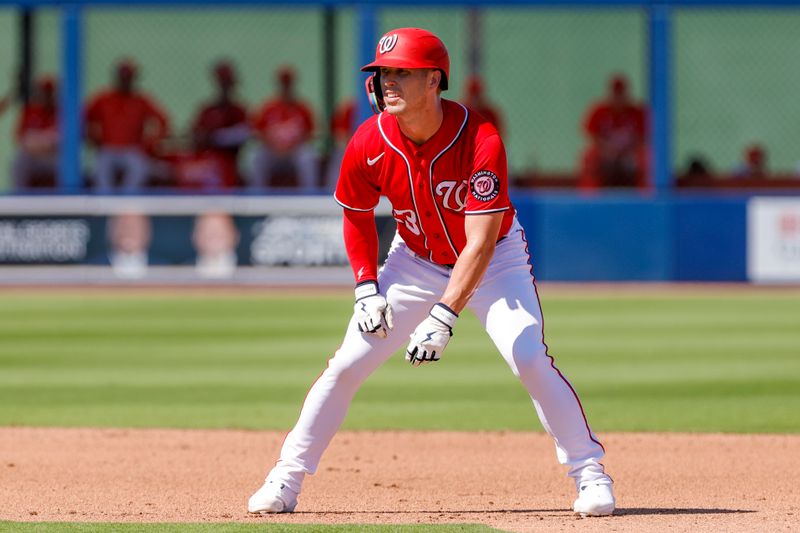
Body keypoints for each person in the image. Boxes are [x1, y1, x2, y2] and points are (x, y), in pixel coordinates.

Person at [247, 28, 615, 518]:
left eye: (402, 72)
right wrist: (365, 287)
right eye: (382, 73)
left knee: (528, 354)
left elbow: (481, 243)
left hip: (495, 262)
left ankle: (590, 476)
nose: (387, 82)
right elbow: (356, 215)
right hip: (413, 259)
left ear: (434, 81)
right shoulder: (368, 140)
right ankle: (284, 480)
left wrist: (444, 316)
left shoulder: (479, 139)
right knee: (347, 363)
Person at [84, 58, 170, 192]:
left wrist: (152, 143)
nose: (125, 80)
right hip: (107, 148)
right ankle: (104, 208)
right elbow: (84, 119)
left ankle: (127, 207)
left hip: (132, 149)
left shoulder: (140, 99)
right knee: (100, 175)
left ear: (134, 78)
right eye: (122, 77)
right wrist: (92, 138)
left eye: (129, 77)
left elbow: (163, 120)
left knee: (139, 171)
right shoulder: (104, 98)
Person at [182, 60, 250, 189]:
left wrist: (215, 137)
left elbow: (243, 135)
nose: (223, 86)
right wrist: (198, 137)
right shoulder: (207, 109)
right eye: (221, 81)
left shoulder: (238, 110)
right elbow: (194, 134)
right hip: (204, 160)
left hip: (227, 161)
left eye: (226, 82)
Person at [250, 66, 318, 190]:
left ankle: (309, 196)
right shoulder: (268, 107)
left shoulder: (302, 108)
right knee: (257, 156)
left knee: (307, 156)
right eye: (284, 83)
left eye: (288, 83)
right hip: (272, 152)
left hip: (295, 153)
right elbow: (258, 133)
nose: (286, 87)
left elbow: (311, 134)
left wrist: (292, 147)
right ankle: (257, 197)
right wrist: (275, 147)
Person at [578, 74, 648, 190]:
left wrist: (628, 151)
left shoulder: (637, 112)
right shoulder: (599, 111)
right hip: (605, 153)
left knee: (646, 157)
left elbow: (643, 137)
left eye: (621, 94)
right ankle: (589, 200)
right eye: (615, 94)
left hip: (630, 153)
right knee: (589, 157)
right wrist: (607, 150)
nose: (618, 98)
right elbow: (592, 135)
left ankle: (647, 198)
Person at [12, 76, 59, 189]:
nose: (46, 96)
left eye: (49, 93)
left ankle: (66, 200)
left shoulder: (62, 112)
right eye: (43, 92)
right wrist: (47, 140)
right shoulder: (30, 110)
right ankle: (20, 199)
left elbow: (60, 142)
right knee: (19, 161)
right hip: (32, 157)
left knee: (67, 165)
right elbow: (21, 139)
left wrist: (36, 140)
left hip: (54, 157)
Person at [191, 211, 239, 279]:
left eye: (220, 229)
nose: (214, 235)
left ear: (235, 234)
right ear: (195, 235)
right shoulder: (179, 273)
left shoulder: (252, 272)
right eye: (207, 229)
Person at [324, 98, 357, 189]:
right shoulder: (349, 108)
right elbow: (340, 135)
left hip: (372, 150)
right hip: (350, 147)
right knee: (340, 153)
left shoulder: (382, 107)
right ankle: (331, 191)